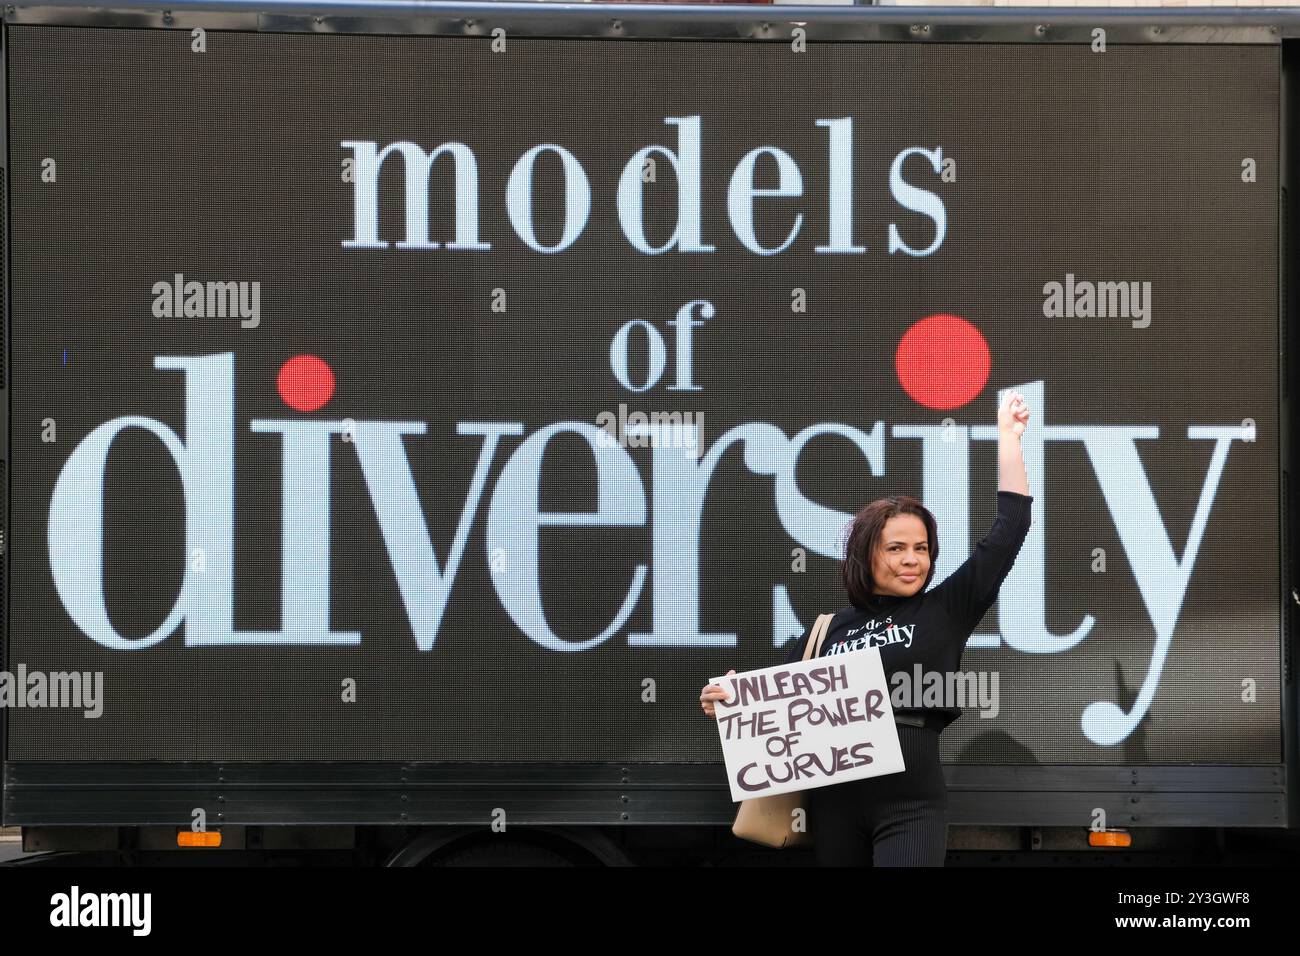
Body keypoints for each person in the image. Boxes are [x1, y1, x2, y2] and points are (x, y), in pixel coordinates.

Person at [700, 389, 1034, 866]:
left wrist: (1009, 437)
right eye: (896, 548)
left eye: (921, 548)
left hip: (911, 803)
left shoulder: (947, 608)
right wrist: (725, 700)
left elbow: (1011, 526)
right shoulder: (825, 631)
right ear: (866, 554)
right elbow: (770, 705)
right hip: (835, 806)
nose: (912, 560)